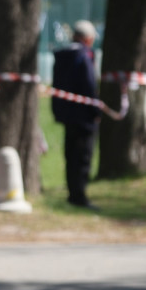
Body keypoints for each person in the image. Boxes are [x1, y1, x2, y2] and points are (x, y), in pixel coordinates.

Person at [51, 20, 100, 209]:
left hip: (66, 115)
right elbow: (89, 85)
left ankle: (73, 192)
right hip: (84, 116)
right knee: (82, 157)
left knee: (71, 155)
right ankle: (79, 196)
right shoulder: (83, 56)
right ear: (88, 39)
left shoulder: (62, 56)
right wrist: (95, 110)